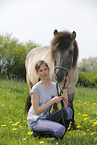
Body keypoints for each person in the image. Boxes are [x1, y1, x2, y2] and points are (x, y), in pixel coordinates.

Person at [27, 60, 73, 139]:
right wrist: (52, 101)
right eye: (40, 71)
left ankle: (58, 134)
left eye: (45, 69)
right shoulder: (36, 89)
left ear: (49, 69)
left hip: (46, 118)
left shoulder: (55, 86)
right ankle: (38, 134)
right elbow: (36, 111)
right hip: (35, 121)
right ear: (37, 73)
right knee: (60, 129)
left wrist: (64, 87)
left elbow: (65, 105)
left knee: (68, 111)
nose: (44, 72)